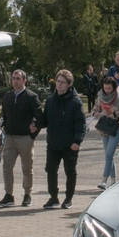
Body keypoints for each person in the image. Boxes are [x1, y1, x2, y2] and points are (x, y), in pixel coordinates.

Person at [39, 69, 85, 209]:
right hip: (53, 143)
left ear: (69, 84)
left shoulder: (75, 102)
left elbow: (80, 123)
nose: (59, 85)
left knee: (70, 171)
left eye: (63, 82)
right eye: (58, 81)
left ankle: (68, 198)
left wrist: (77, 141)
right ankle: (53, 197)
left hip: (70, 144)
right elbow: (45, 120)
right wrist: (35, 124)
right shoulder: (51, 101)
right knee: (50, 170)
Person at [0, 70, 41, 208]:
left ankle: (27, 194)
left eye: (18, 79)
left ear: (24, 81)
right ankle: (8, 195)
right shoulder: (8, 96)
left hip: (25, 139)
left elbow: (40, 117)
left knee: (27, 168)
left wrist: (33, 132)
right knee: (6, 167)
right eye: (13, 78)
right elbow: (4, 115)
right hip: (10, 137)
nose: (15, 81)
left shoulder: (31, 97)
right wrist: (0, 126)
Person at [90, 75, 119, 190]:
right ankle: (113, 180)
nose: (107, 90)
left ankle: (104, 180)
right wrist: (95, 113)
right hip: (104, 128)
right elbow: (95, 109)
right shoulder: (100, 96)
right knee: (108, 156)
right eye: (105, 88)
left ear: (114, 87)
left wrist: (116, 114)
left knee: (109, 154)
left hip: (116, 128)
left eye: (109, 88)